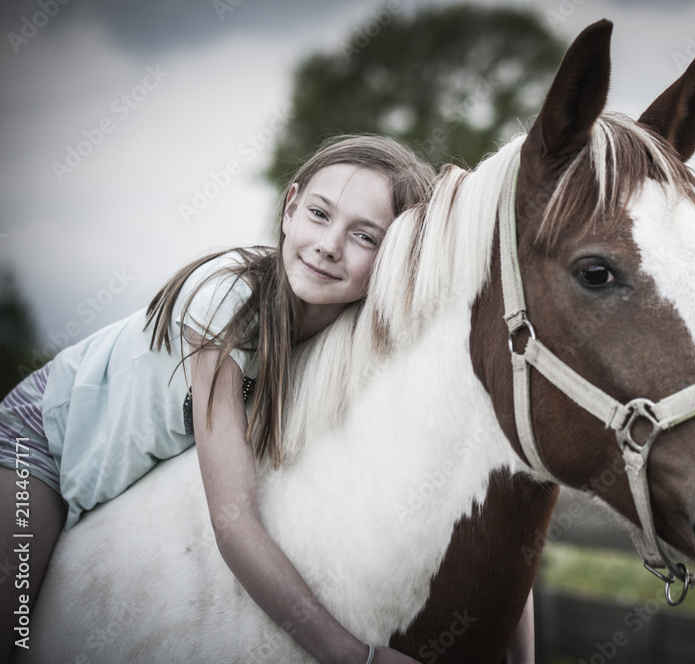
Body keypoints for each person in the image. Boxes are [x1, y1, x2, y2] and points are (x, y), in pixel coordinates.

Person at [0, 134, 534, 663]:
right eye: (320, 214)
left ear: (396, 257)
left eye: (365, 237)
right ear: (290, 208)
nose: (329, 244)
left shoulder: (355, 336)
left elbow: (480, 494)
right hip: (38, 442)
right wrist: (356, 658)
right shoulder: (226, 303)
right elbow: (232, 522)